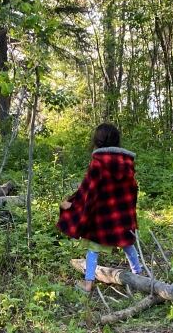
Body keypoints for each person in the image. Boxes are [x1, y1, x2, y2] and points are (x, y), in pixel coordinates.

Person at [57, 123, 142, 293]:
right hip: (122, 216)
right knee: (128, 244)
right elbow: (132, 191)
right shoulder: (127, 163)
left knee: (94, 248)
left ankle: (88, 285)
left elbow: (89, 192)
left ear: (98, 140)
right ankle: (139, 277)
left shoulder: (98, 163)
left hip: (102, 217)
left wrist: (72, 205)